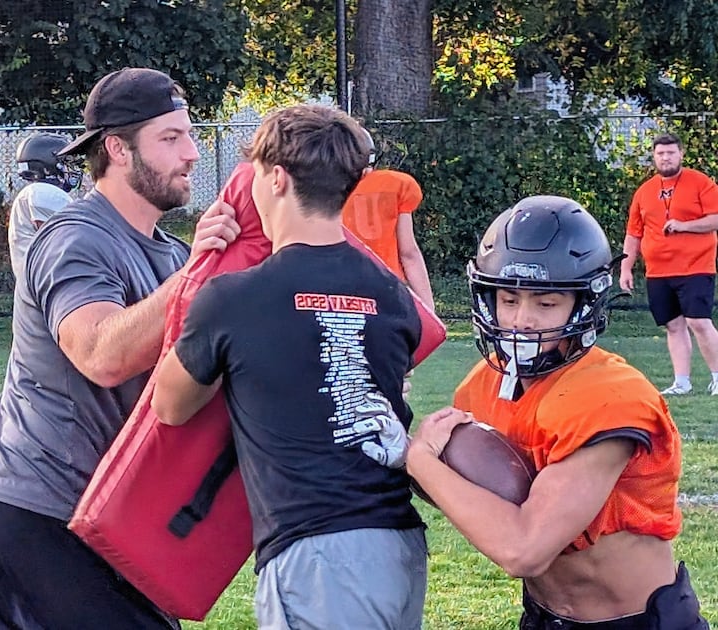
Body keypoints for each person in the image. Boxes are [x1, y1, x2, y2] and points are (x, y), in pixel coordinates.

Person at [0, 67, 241, 629]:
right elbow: (101, 355)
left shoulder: (172, 255)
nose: (191, 153)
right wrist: (196, 279)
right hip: (37, 507)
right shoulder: (75, 237)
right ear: (117, 148)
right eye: (170, 138)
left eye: (190, 135)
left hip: (112, 515)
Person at [360, 195, 708, 629]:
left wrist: (418, 458)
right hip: (543, 617)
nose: (522, 320)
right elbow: (470, 492)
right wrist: (404, 448)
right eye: (508, 300)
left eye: (545, 304)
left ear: (584, 304)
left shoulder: (610, 395)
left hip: (634, 621)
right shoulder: (485, 383)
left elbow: (523, 548)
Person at [151, 104, 427, 629]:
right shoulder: (393, 295)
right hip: (397, 542)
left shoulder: (234, 297)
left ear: (276, 178)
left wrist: (199, 274)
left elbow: (169, 406)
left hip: (318, 555)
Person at [619, 132, 718, 396]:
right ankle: (681, 382)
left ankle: (717, 377)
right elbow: (633, 233)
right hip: (659, 272)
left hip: (696, 267)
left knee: (699, 322)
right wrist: (625, 268)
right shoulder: (644, 191)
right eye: (661, 153)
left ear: (681, 154)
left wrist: (683, 226)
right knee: (673, 326)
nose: (666, 158)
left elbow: (715, 219)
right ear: (654, 157)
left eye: (671, 152)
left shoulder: (700, 182)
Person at [340, 130, 434, 310]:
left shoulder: (324, 191)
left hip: (340, 292)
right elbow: (408, 253)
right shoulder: (397, 184)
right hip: (387, 290)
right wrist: (429, 309)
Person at [8, 132, 83, 287]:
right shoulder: (43, 192)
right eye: (66, 161)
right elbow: (72, 241)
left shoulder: (35, 192)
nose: (71, 168)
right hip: (52, 285)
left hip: (43, 284)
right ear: (48, 165)